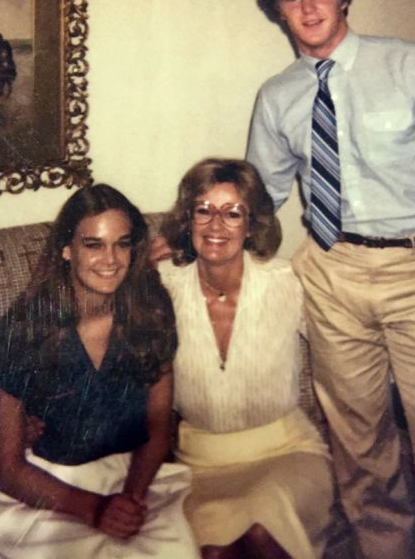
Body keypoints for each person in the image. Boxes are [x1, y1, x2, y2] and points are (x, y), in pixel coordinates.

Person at [246, 0, 415, 558]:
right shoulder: (277, 97)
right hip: (331, 274)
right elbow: (260, 197)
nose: (307, 7)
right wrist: (185, 239)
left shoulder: (413, 65)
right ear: (278, 10)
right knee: (361, 455)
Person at [0, 184, 200, 558]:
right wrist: (95, 509)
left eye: (122, 243)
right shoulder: (25, 329)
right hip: (51, 490)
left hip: (135, 477)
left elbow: (159, 426)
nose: (110, 259)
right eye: (93, 244)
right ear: (67, 250)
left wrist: (129, 500)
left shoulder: (152, 311)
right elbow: (7, 468)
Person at [156, 158, 334, 559]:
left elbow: (341, 346)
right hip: (199, 465)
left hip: (287, 451)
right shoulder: (162, 288)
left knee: (259, 530)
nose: (216, 225)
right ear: (188, 221)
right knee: (217, 551)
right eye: (204, 210)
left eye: (233, 213)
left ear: (252, 225)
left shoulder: (287, 283)